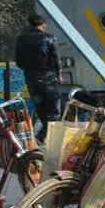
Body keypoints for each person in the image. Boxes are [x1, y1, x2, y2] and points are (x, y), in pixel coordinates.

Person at [14, 13, 62, 143]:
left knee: (41, 108)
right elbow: (56, 59)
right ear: (43, 25)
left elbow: (19, 62)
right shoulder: (49, 38)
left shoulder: (21, 39)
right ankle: (53, 140)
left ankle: (45, 135)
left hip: (31, 80)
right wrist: (59, 74)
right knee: (54, 110)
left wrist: (29, 70)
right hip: (48, 79)